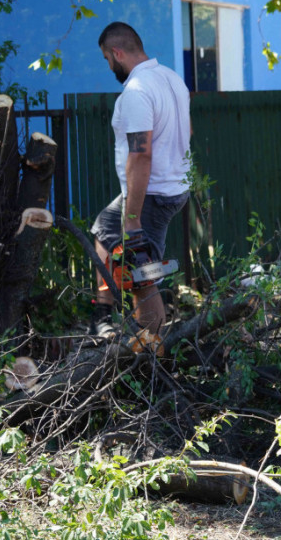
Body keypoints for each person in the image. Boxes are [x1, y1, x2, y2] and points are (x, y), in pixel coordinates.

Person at [90, 21, 191, 340]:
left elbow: (141, 155)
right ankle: (103, 315)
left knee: (140, 277)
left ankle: (151, 356)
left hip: (150, 195)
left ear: (117, 52)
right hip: (172, 188)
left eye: (107, 59)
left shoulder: (136, 91)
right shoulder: (172, 79)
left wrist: (132, 220)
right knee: (105, 226)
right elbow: (187, 133)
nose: (109, 67)